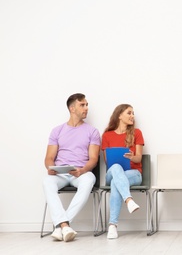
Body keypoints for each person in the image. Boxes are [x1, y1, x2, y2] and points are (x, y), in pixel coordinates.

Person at [43, 93, 101, 242]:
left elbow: (94, 159)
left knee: (89, 180)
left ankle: (60, 226)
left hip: (81, 172)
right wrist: (50, 167)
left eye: (87, 105)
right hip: (60, 173)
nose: (86, 108)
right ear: (72, 108)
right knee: (47, 181)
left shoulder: (92, 131)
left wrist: (82, 170)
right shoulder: (57, 131)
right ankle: (65, 226)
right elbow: (49, 157)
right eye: (82, 105)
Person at [101, 104, 144, 239]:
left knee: (116, 182)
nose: (132, 116)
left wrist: (132, 157)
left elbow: (138, 158)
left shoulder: (137, 133)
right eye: (129, 113)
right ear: (119, 115)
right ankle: (128, 199)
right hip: (113, 172)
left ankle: (112, 226)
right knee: (115, 168)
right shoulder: (107, 136)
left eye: (133, 113)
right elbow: (108, 162)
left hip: (134, 173)